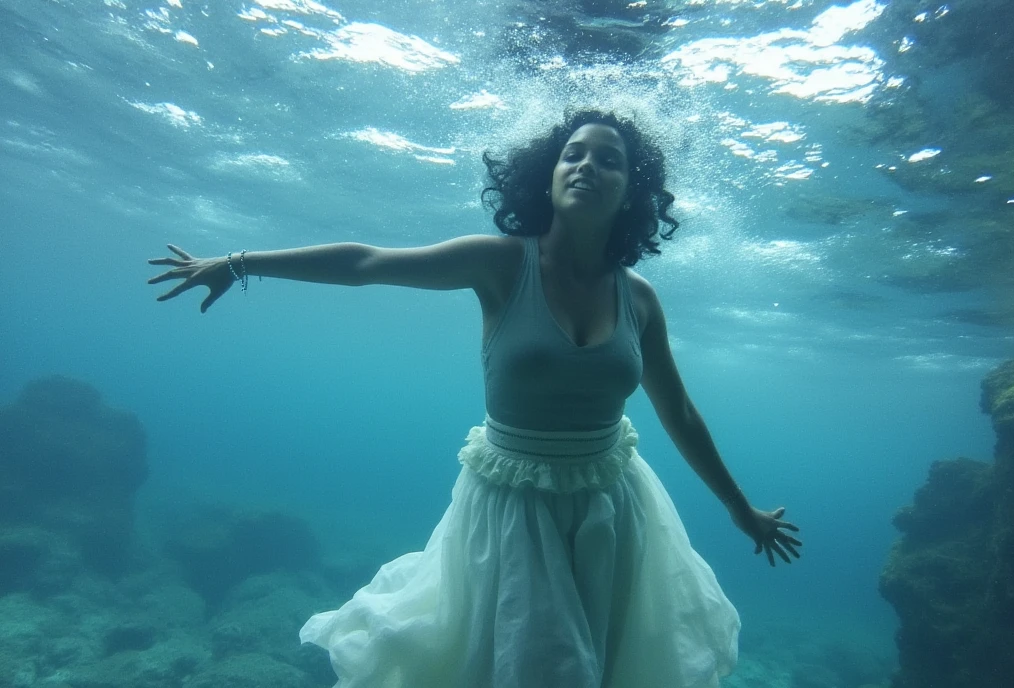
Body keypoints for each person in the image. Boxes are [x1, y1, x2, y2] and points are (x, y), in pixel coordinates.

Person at [149, 108, 802, 688]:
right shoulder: (498, 263)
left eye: (610, 160)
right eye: (573, 153)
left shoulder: (640, 299)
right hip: (513, 513)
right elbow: (365, 263)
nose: (587, 166)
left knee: (602, 665)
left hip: (614, 506)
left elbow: (678, 413)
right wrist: (237, 262)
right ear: (546, 175)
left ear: (631, 191)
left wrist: (740, 508)